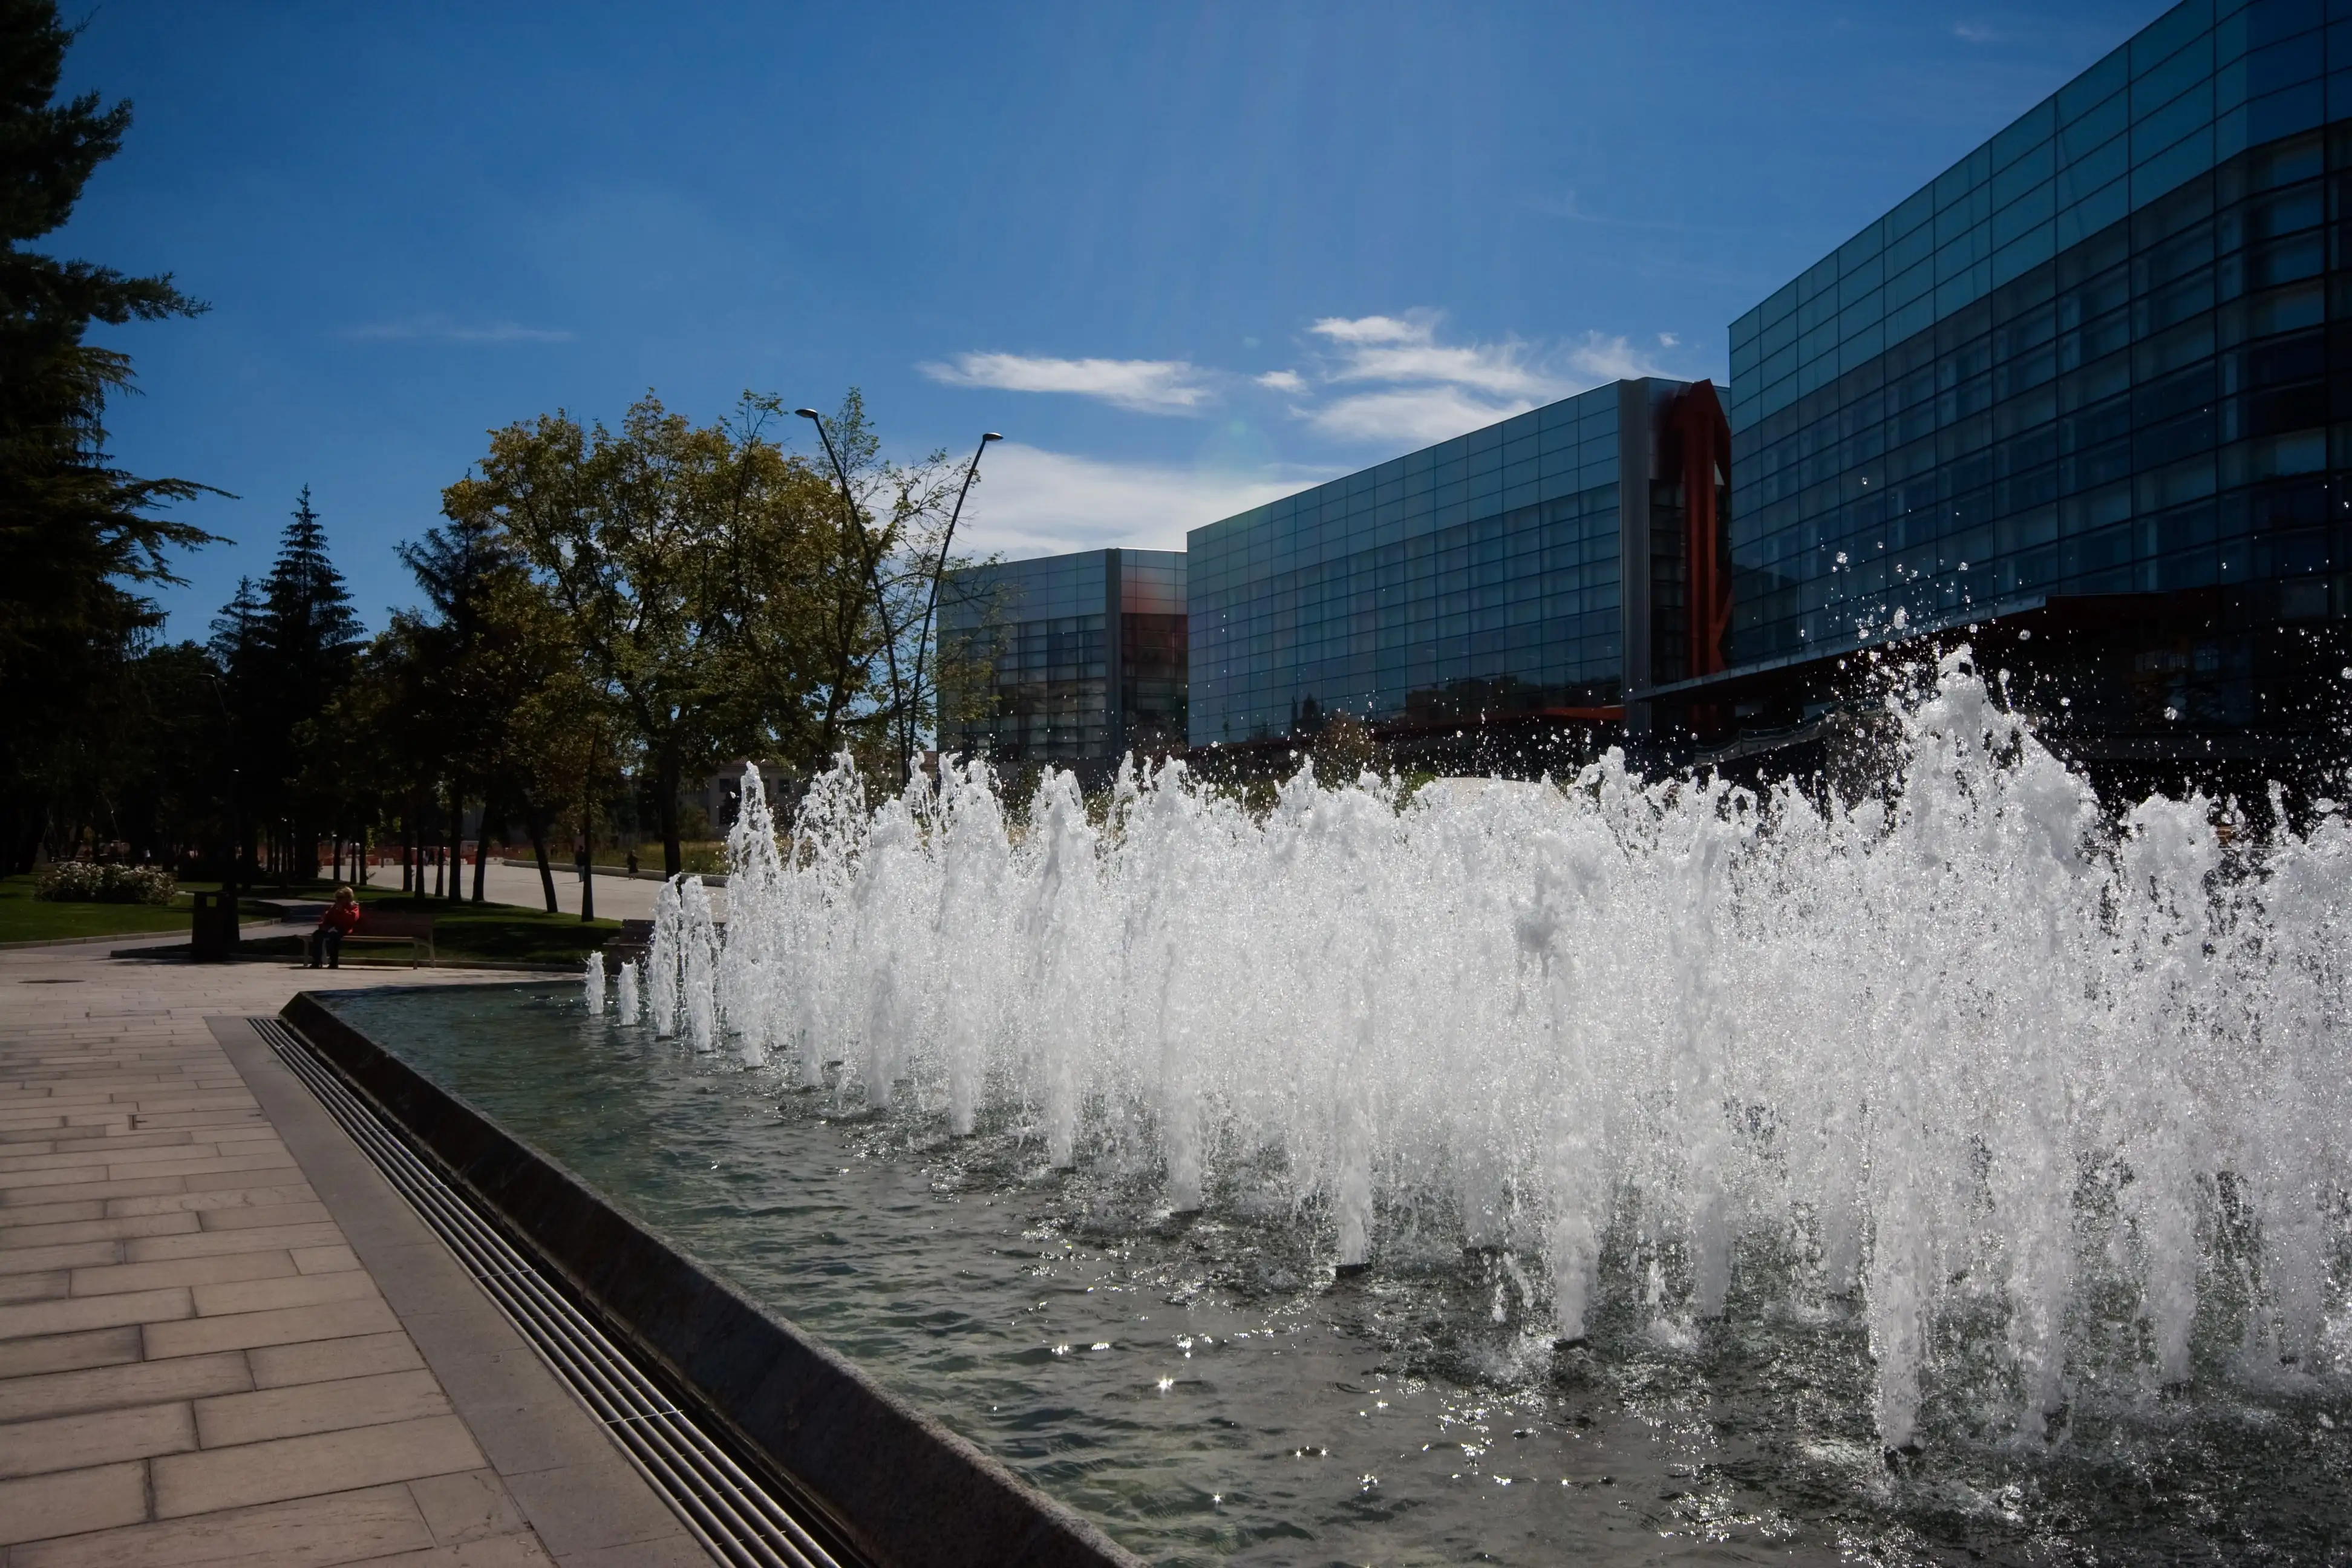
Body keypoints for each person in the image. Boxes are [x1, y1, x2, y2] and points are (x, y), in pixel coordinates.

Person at [309, 885, 361, 969]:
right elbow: (328, 918)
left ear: (348, 898)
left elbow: (352, 919)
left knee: (334, 935)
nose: (339, 900)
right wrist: (324, 926)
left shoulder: (354, 907)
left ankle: (334, 962)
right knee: (318, 934)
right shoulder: (335, 907)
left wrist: (342, 910)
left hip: (344, 928)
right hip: (332, 928)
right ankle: (317, 961)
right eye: (338, 898)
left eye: (341, 898)